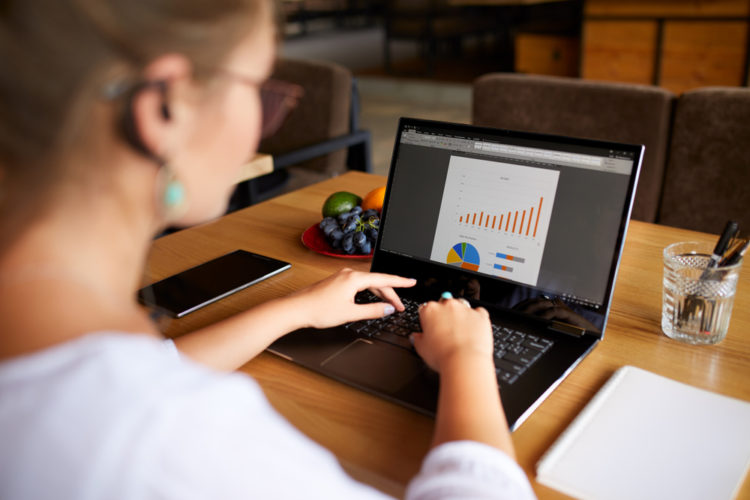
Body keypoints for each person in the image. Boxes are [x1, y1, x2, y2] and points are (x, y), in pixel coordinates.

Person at [0, 1, 536, 498]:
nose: (262, 119)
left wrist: (293, 310)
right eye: (259, 89)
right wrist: (468, 360)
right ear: (163, 108)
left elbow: (110, 380)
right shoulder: (165, 438)